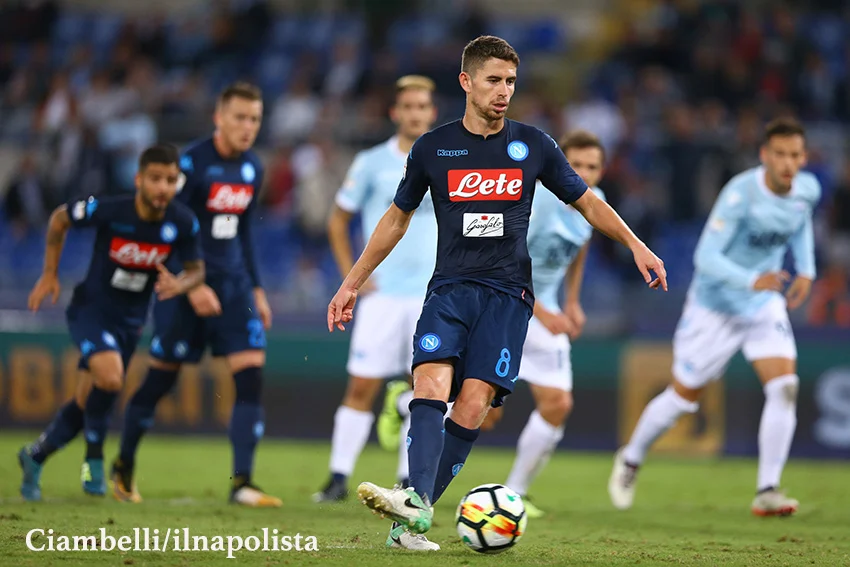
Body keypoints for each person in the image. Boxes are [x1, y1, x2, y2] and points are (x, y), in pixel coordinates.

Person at [326, 35, 667, 550]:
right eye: (493, 80)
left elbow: (588, 203)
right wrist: (350, 283)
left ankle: (410, 517)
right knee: (429, 383)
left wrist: (636, 244)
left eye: (510, 81)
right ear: (467, 81)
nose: (504, 90)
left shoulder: (534, 145)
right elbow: (396, 219)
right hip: (449, 290)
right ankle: (414, 501)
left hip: (508, 297)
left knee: (473, 405)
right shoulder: (433, 148)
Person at [609, 118, 819, 517]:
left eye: (795, 155)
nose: (788, 163)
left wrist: (806, 269)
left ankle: (767, 489)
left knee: (785, 387)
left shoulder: (807, 189)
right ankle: (632, 457)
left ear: (803, 157)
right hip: (715, 306)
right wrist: (751, 280)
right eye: (780, 154)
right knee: (683, 397)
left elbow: (800, 222)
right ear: (764, 155)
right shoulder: (740, 194)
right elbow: (705, 257)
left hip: (762, 304)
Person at [114, 82, 280, 507]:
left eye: (255, 119)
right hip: (185, 285)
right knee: (160, 379)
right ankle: (124, 465)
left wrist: (257, 288)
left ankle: (242, 483)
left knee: (251, 374)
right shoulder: (190, 165)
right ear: (218, 118)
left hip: (234, 286)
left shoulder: (252, 168)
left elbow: (244, 231)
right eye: (240, 117)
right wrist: (193, 285)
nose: (248, 127)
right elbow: (164, 229)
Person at [18, 144, 204, 501]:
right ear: (138, 180)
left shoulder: (183, 222)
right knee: (111, 378)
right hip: (92, 310)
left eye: (170, 180)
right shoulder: (111, 210)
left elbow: (197, 271)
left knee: (87, 399)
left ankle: (35, 455)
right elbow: (59, 218)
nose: (163, 187)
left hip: (131, 321)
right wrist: (50, 273)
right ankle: (94, 458)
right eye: (155, 179)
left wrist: (181, 284)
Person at [314, 76, 439, 514]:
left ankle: (406, 480)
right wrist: (352, 277)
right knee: (362, 386)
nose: (415, 113)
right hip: (382, 297)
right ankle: (337, 478)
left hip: (430, 295)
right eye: (408, 106)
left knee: (424, 388)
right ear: (395, 112)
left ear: (432, 112)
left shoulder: (447, 160)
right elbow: (337, 220)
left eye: (422, 106)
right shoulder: (371, 163)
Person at [481, 130, 608, 518]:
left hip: (544, 311)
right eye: (575, 165)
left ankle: (514, 493)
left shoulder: (595, 203)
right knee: (485, 414)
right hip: (504, 305)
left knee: (558, 403)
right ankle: (408, 404)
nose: (583, 174)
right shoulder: (534, 201)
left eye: (592, 167)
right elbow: (503, 262)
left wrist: (572, 301)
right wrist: (542, 310)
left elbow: (580, 249)